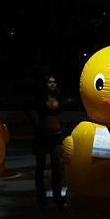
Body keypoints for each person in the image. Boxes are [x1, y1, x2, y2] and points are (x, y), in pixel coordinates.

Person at [32, 76, 64, 207]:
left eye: (54, 82)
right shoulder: (40, 98)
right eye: (50, 82)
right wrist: (35, 124)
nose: (52, 84)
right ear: (45, 84)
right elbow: (28, 109)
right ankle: (41, 198)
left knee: (57, 167)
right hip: (42, 135)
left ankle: (57, 198)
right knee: (40, 167)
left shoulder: (59, 97)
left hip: (56, 135)